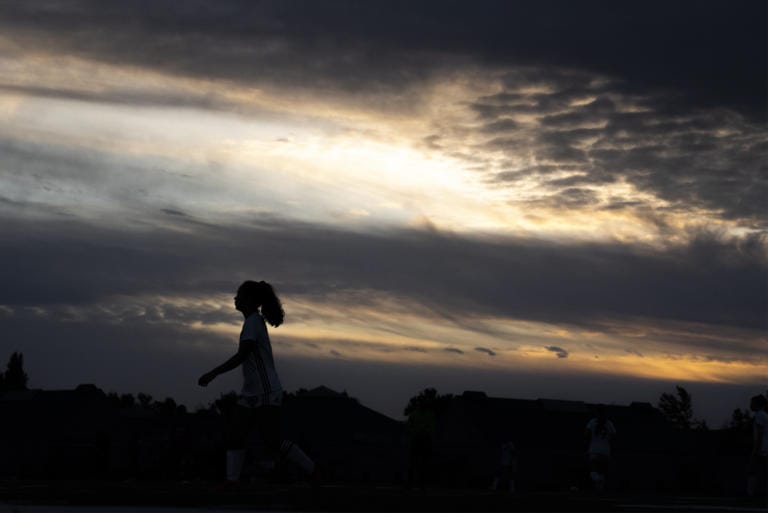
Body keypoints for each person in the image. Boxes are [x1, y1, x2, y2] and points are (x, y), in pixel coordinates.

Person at [198, 280, 315, 483]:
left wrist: (213, 373)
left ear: (249, 300)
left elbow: (242, 355)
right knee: (235, 436)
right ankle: (232, 481)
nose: (235, 298)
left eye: (239, 295)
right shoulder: (252, 321)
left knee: (272, 441)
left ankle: (313, 471)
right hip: (251, 392)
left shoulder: (253, 322)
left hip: (266, 390)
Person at [585, 405, 616, 493]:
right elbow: (614, 436)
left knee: (593, 469)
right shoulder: (609, 423)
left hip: (594, 449)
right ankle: (599, 489)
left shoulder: (592, 422)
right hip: (605, 450)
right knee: (602, 470)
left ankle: (598, 482)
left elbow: (586, 434)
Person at [748, 394, 767, 498]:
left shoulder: (759, 416)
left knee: (753, 470)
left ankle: (751, 494)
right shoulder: (765, 415)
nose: (750, 405)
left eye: (752, 403)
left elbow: (759, 434)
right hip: (764, 449)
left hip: (761, 449)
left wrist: (756, 450)